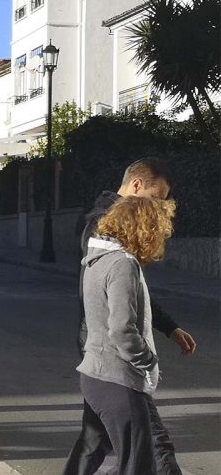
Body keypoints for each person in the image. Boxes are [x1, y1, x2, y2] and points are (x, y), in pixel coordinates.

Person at [65, 158, 196, 475]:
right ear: (136, 186)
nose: (160, 208)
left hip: (100, 358)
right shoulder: (107, 237)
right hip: (114, 361)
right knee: (154, 448)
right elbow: (118, 316)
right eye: (157, 198)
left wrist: (168, 326)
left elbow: (132, 295)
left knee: (96, 442)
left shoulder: (110, 249)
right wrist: (148, 362)